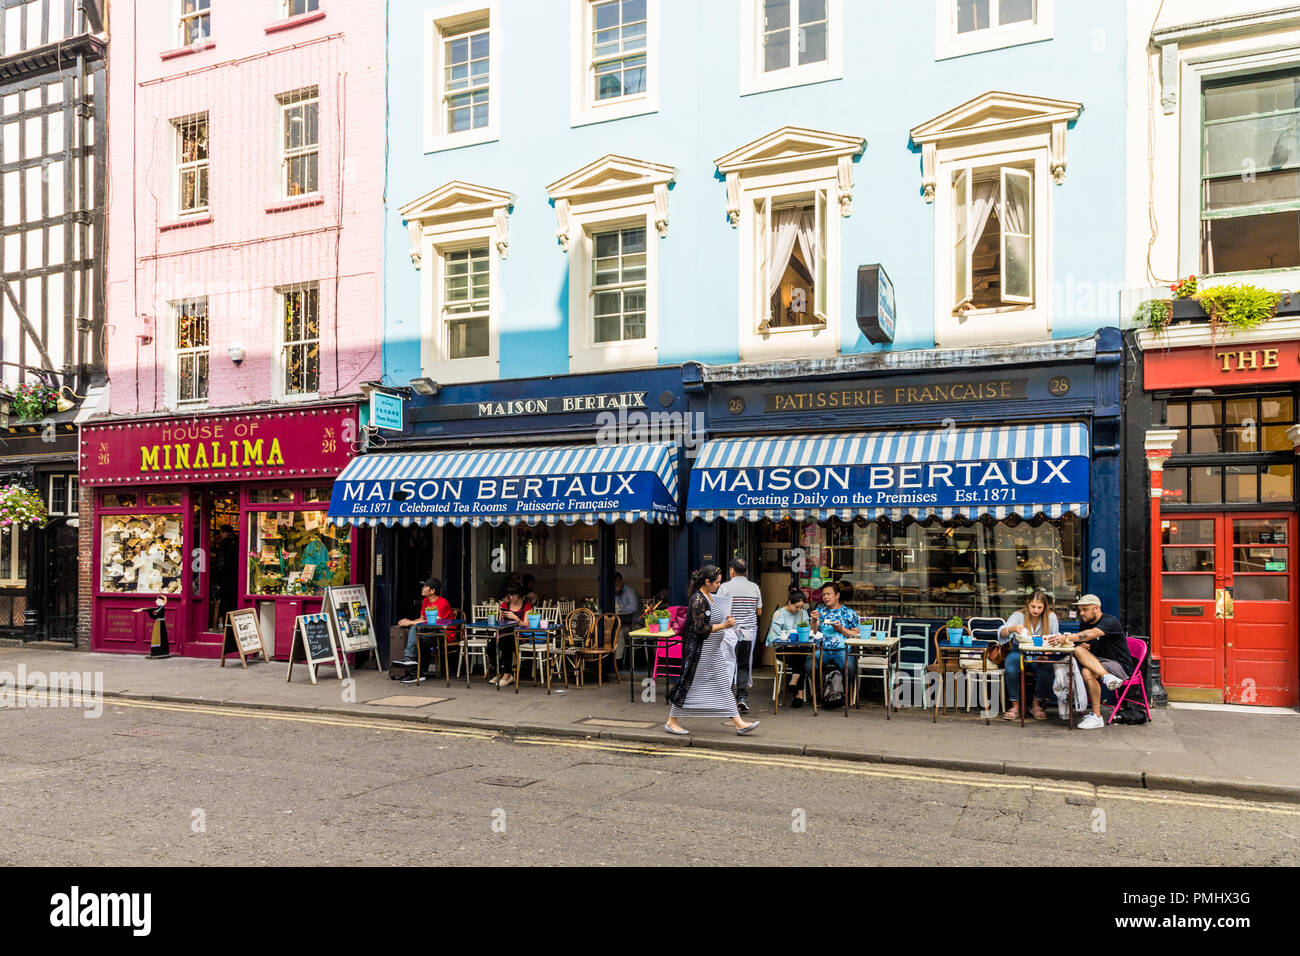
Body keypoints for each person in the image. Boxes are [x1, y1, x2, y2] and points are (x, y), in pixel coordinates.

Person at [665, 565, 760, 736]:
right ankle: (671, 721)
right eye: (716, 582)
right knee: (689, 684)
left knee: (724, 685)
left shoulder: (710, 596)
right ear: (706, 582)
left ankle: (739, 723)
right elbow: (699, 628)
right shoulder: (698, 599)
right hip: (701, 653)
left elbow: (716, 616)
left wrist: (727, 618)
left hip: (714, 652)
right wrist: (724, 625)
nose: (719, 585)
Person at [1045, 594, 1132, 730]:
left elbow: (1092, 634)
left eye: (1085, 609)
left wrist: (1066, 637)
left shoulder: (1110, 621)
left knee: (1081, 657)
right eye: (1080, 610)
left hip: (1119, 665)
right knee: (1084, 663)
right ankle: (1097, 713)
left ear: (1096, 608)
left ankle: (1105, 685)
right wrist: (1087, 646)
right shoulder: (1085, 622)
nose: (1082, 613)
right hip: (1099, 663)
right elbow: (1088, 641)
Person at [1000, 589, 1060, 721]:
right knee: (1011, 667)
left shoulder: (1051, 617)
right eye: (1033, 606)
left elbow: (1054, 639)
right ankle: (1015, 706)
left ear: (1045, 607)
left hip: (1041, 651)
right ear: (1028, 604)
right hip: (1019, 650)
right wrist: (1011, 629)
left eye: (1040, 607)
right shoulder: (1018, 615)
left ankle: (1036, 704)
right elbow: (1001, 634)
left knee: (1047, 668)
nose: (1036, 610)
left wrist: (1047, 653)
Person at [717, 558, 763, 713]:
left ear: (731, 570)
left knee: (728, 665)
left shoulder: (724, 588)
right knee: (743, 665)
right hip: (748, 633)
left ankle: (727, 699)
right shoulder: (754, 587)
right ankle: (742, 698)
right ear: (747, 571)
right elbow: (759, 611)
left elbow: (720, 612)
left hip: (730, 633)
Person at [807, 581, 859, 706]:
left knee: (849, 667)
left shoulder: (849, 613)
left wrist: (841, 629)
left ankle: (842, 695)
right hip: (822, 649)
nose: (825, 597)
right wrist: (814, 620)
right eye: (824, 595)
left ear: (837, 595)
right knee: (810, 664)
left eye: (829, 594)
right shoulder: (820, 611)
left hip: (842, 650)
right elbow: (813, 632)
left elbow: (856, 635)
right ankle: (822, 694)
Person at [397, 578, 451, 678]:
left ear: (432, 590)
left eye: (425, 587)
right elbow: (421, 619)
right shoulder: (426, 601)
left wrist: (410, 623)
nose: (422, 588)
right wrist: (407, 621)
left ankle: (411, 664)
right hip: (430, 633)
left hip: (443, 634)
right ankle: (415, 670)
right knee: (416, 635)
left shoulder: (443, 603)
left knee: (415, 630)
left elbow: (433, 622)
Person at [766, 588, 810, 707]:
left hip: (799, 648)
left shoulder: (803, 613)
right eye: (797, 607)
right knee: (801, 658)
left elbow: (807, 631)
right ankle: (798, 692)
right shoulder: (779, 614)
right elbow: (772, 637)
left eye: (801, 607)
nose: (799, 610)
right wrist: (786, 641)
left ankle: (794, 682)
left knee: (802, 651)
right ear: (789, 603)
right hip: (783, 649)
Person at [491, 583, 533, 688]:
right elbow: (499, 623)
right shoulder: (505, 605)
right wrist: (500, 617)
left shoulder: (526, 606)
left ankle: (507, 674)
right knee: (490, 647)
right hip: (504, 634)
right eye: (509, 595)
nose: (511, 597)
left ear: (519, 594)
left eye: (513, 595)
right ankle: (501, 671)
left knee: (507, 643)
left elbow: (527, 625)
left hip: (519, 636)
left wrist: (515, 618)